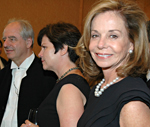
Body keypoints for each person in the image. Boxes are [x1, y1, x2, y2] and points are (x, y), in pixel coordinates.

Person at [75, 0, 150, 126]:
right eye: (95, 35)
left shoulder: (133, 104)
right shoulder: (100, 88)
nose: (100, 44)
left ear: (132, 43)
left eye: (113, 36)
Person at [21, 22, 90, 127]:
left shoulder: (69, 88)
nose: (40, 54)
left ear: (63, 49)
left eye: (44, 47)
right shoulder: (66, 81)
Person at [0, 19, 57, 127]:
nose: (5, 44)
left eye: (12, 39)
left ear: (28, 42)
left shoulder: (48, 75)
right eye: (4, 40)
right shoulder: (2, 75)